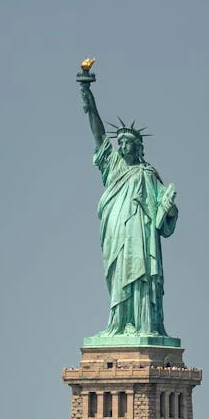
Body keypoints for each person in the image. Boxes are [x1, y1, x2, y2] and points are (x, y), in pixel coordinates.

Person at [79, 67, 178, 338]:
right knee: (120, 276)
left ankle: (145, 325)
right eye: (120, 142)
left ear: (138, 147)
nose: (122, 146)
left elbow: (163, 215)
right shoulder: (112, 166)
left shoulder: (147, 174)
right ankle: (119, 324)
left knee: (142, 277)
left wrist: (169, 210)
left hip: (140, 236)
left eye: (128, 143)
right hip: (117, 232)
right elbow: (98, 135)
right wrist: (88, 98)